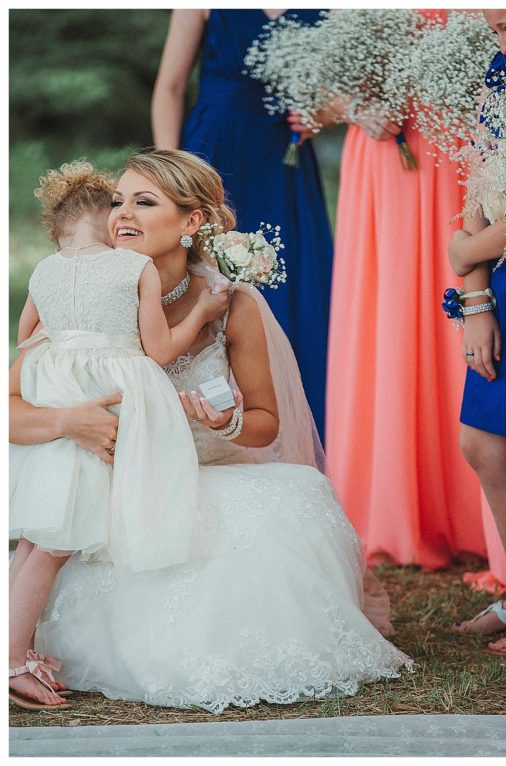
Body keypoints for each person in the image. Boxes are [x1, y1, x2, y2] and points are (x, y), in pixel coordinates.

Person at [10, 149, 410, 713]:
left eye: (144, 202)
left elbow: (267, 425)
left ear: (191, 222)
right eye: (117, 199)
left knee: (285, 508)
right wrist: (68, 421)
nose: (121, 213)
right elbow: (12, 407)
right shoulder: (84, 295)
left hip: (206, 474)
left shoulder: (231, 304)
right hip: (106, 488)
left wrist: (228, 422)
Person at [8, 160, 228, 711]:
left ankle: (9, 644)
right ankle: (11, 659)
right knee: (56, 543)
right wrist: (201, 309)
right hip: (112, 393)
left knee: (36, 535)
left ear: (58, 230)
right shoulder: (134, 268)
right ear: (108, 223)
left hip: (57, 392)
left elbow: (25, 336)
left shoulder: (43, 271)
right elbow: (156, 350)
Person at [320, 10, 487, 570]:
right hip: (383, 152)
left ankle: (470, 507)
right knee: (388, 309)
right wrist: (357, 108)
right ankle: (392, 504)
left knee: (451, 288)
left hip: (454, 141)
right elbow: (313, 86)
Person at [152, 8, 334, 437]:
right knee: (201, 277)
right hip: (214, 151)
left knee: (296, 286)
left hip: (283, 160)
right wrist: (170, 175)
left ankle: (296, 424)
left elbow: (350, 89)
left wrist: (320, 114)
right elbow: (170, 87)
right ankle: (195, 414)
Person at [449, 9, 506, 656]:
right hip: (494, 285)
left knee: (496, 442)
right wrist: (474, 298)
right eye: (493, 28)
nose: (502, 38)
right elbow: (481, 180)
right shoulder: (494, 71)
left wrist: (468, 251)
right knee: (481, 443)